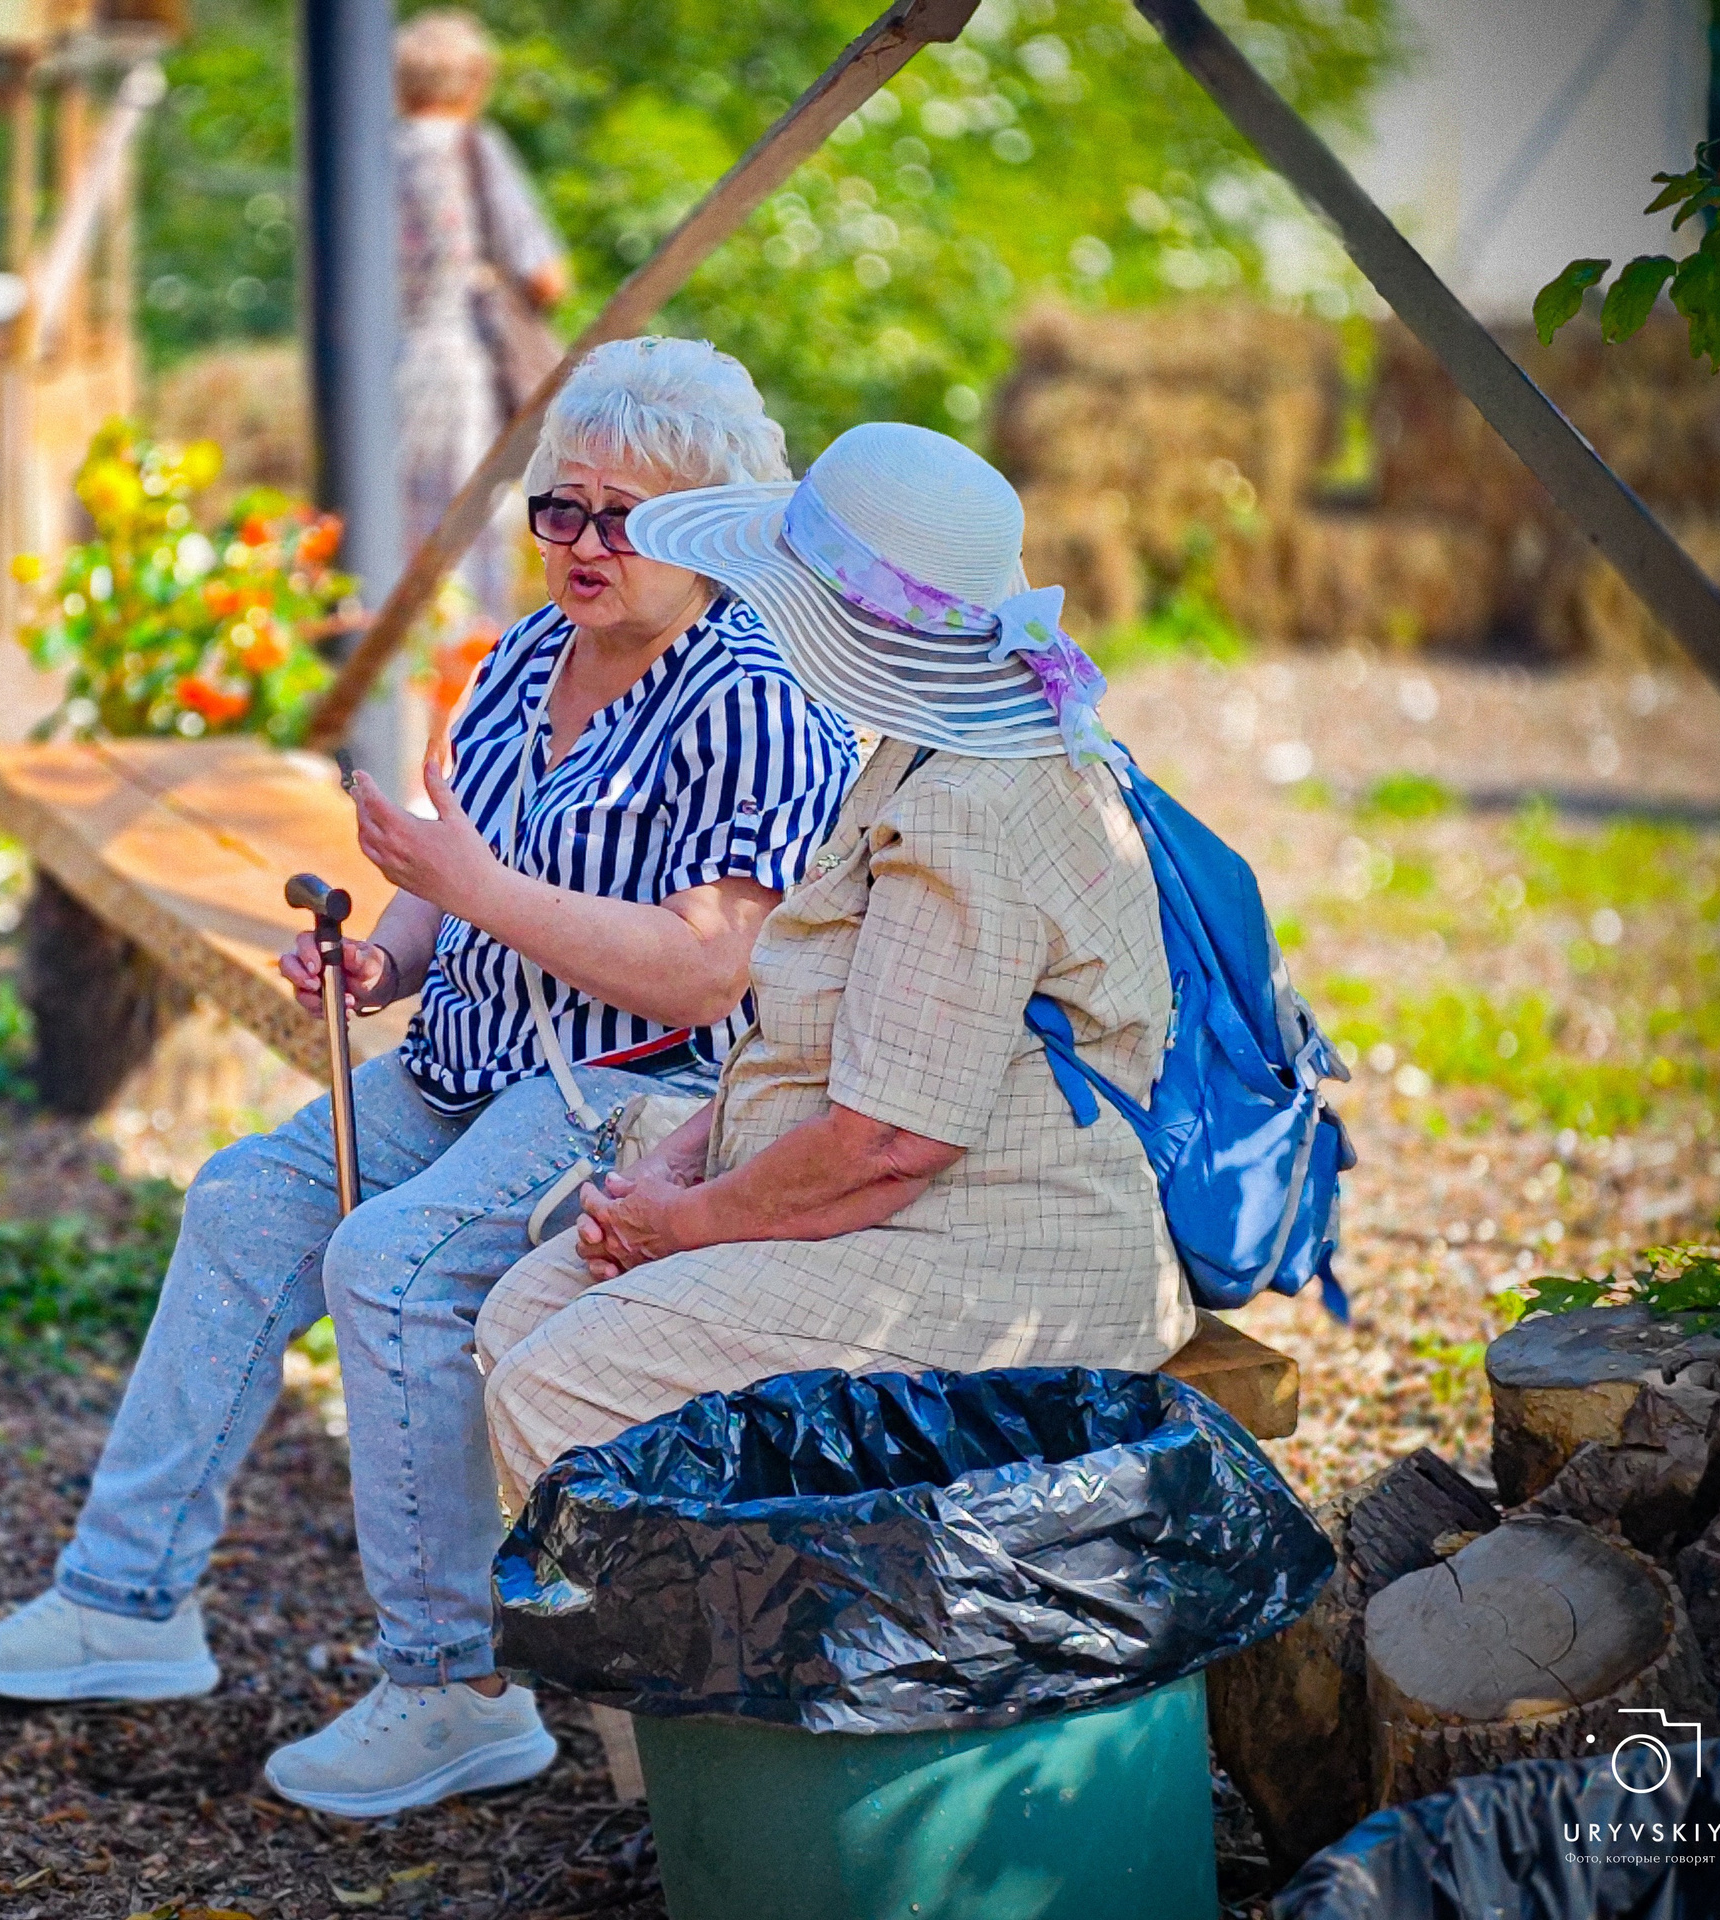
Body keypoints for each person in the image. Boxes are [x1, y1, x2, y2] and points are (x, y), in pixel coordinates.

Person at [0, 338, 858, 1819]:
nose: (582, 544)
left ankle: (456, 1691)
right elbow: (451, 879)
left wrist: (469, 890)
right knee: (239, 1203)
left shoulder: (753, 692)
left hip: (641, 1092)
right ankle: (127, 1604)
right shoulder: (517, 660)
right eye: (562, 508)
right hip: (469, 1054)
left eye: (627, 519)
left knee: (397, 1264)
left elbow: (709, 970)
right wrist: (389, 954)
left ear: (716, 529)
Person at [474, 422, 1194, 1506]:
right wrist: (679, 1162)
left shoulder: (968, 808)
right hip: (901, 1195)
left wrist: (687, 1225)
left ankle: (757, 1664)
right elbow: (835, 1037)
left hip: (1002, 1242)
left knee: (561, 1390)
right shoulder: (936, 736)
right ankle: (674, 1640)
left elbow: (890, 1144)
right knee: (521, 1317)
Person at [394, 8, 568, 628]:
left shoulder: (368, 155)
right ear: (474, 82)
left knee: (391, 533)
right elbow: (545, 275)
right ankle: (466, 684)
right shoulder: (473, 149)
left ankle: (399, 678)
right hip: (458, 365)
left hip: (377, 372)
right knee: (471, 532)